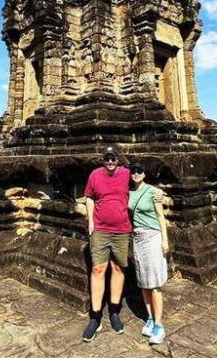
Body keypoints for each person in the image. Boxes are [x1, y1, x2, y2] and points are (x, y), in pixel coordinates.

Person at [82, 146, 131, 342]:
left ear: (118, 160)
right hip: (100, 229)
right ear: (103, 160)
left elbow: (141, 186)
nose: (110, 162)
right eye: (107, 158)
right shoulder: (95, 175)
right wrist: (91, 222)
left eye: (113, 158)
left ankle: (114, 312)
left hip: (122, 229)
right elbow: (89, 197)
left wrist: (158, 193)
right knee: (98, 269)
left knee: (118, 269)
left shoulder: (126, 174)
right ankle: (95, 317)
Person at [128, 162, 169, 345]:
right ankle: (150, 318)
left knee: (154, 283)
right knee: (143, 281)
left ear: (144, 174)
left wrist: (165, 240)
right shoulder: (129, 192)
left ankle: (159, 326)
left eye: (139, 171)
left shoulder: (153, 192)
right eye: (133, 171)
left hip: (153, 237)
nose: (136, 174)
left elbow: (161, 216)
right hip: (138, 238)